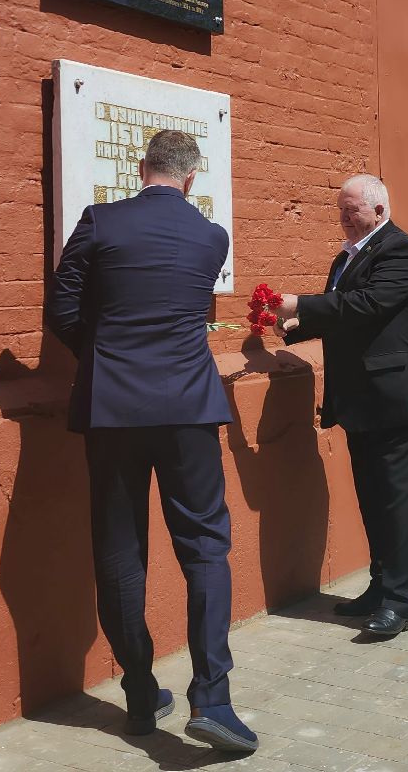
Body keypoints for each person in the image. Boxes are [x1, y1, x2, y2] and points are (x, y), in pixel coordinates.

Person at [47, 130, 258, 755]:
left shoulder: (101, 222)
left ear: (143, 169)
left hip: (112, 408)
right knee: (204, 547)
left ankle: (140, 692)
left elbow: (60, 307)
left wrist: (104, 358)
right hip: (189, 406)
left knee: (119, 548)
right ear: (191, 178)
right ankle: (212, 698)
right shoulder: (210, 236)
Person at [276, 174, 408, 638]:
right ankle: (380, 588)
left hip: (399, 398)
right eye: (340, 210)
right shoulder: (347, 258)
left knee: (399, 503)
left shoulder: (402, 250)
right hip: (360, 399)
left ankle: (399, 603)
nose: (343, 218)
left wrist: (302, 304)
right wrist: (293, 328)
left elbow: (370, 304)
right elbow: (345, 315)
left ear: (378, 210)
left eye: (351, 210)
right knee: (374, 500)